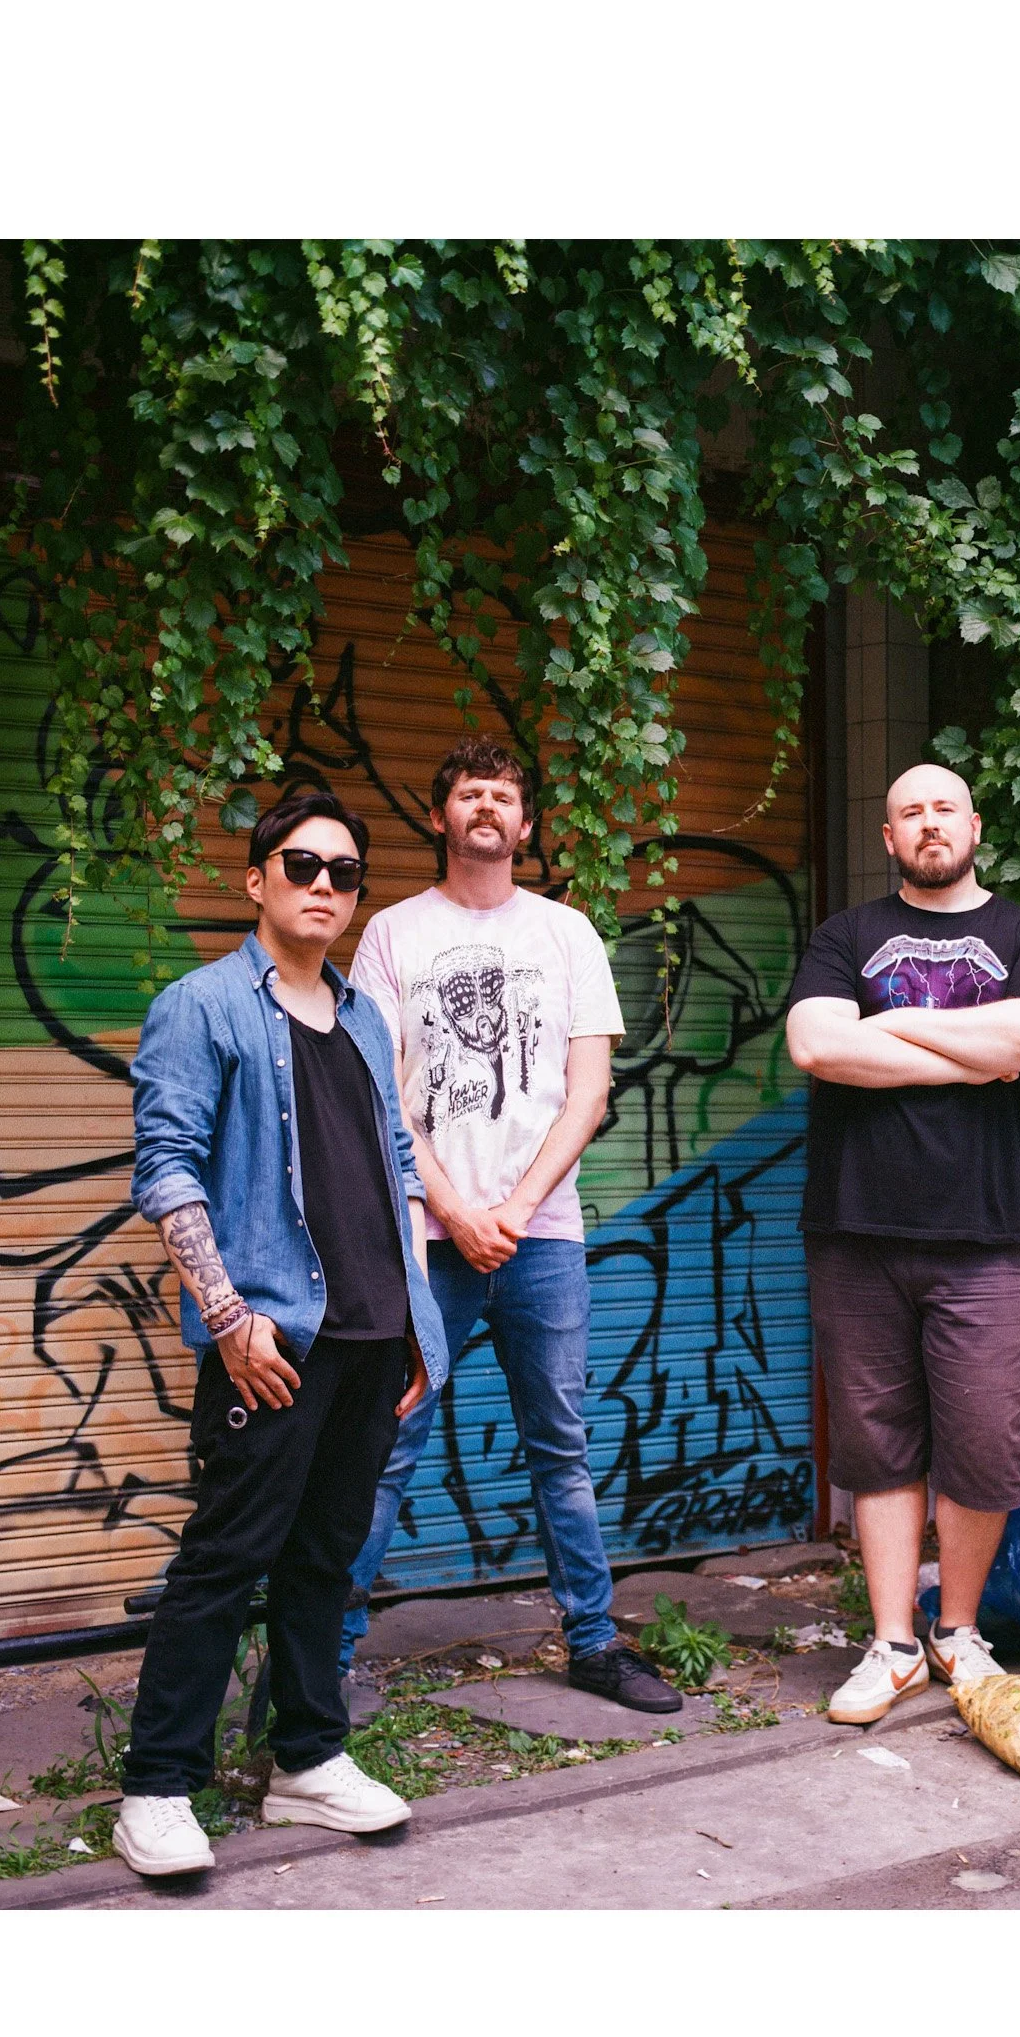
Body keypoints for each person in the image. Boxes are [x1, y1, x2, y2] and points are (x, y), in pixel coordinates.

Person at [118, 790, 448, 1877]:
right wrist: (225, 1317)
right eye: (299, 864)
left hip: (367, 1336)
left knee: (325, 1559)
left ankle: (307, 1759)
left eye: (344, 872)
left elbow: (398, 1166)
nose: (322, 884)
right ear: (254, 879)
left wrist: (411, 1318)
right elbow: (165, 1166)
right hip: (271, 1338)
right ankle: (159, 1786)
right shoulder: (201, 1005)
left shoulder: (361, 1014)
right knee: (225, 1559)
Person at [341, 737, 678, 1713]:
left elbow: (588, 1091)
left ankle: (592, 1643)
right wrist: (454, 1208)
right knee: (388, 1446)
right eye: (466, 792)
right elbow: (378, 1094)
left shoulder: (567, 934)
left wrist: (516, 1212)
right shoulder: (393, 936)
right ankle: (325, 1660)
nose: (485, 806)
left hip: (544, 1239)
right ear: (441, 816)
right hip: (425, 1241)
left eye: (502, 794)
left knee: (559, 1448)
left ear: (524, 825)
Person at [785, 763, 1020, 1724]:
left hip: (987, 1232)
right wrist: (969, 1046)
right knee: (876, 1445)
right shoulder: (846, 935)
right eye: (907, 810)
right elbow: (822, 1047)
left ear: (973, 823)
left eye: (942, 806)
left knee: (987, 1439)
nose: (927, 822)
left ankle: (959, 1631)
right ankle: (893, 1642)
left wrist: (898, 1024)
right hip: (856, 1227)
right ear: (888, 836)